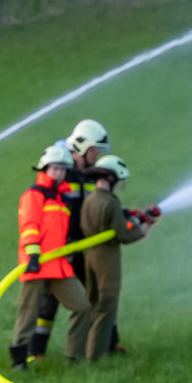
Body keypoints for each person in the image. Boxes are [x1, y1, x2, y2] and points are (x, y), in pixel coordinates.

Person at [32, 118, 113, 361]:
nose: (97, 155)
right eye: (94, 150)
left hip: (84, 247)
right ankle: (36, 353)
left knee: (96, 294)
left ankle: (105, 345)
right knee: (49, 302)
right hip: (60, 248)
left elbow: (101, 205)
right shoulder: (61, 172)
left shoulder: (92, 175)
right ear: (81, 147)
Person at [67, 154, 156, 362]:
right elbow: (122, 234)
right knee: (106, 306)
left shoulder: (90, 199)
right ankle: (96, 356)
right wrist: (142, 229)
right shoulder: (110, 202)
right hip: (107, 258)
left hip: (90, 255)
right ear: (111, 178)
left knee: (92, 303)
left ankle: (80, 351)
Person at [10, 144, 90, 371]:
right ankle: (19, 361)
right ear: (45, 168)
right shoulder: (33, 195)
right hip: (36, 264)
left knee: (83, 306)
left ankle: (74, 356)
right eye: (55, 168)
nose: (58, 173)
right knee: (28, 314)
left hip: (58, 266)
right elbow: (29, 226)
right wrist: (33, 254)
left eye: (62, 169)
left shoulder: (63, 199)